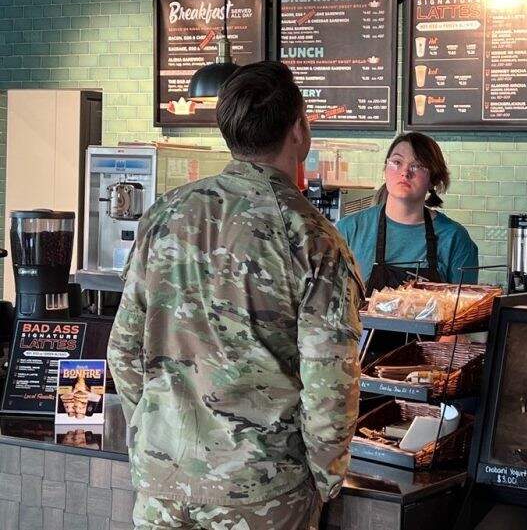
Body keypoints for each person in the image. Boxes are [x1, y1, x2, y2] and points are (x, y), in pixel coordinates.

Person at [107, 61, 363, 530]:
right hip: (262, 493)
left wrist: (154, 434)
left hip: (163, 482)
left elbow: (124, 349)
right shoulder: (311, 236)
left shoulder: (165, 214)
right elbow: (331, 383)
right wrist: (324, 480)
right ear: (300, 130)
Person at [337, 132, 479, 296]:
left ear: (433, 179)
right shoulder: (349, 230)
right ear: (385, 169)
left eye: (416, 165)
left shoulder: (455, 238)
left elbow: (465, 312)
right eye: (396, 162)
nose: (405, 172)